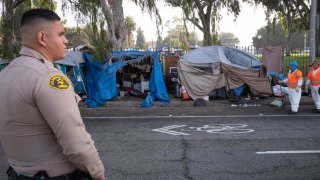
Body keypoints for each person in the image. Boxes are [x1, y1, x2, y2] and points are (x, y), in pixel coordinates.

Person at [0, 9, 105, 180]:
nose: (66, 41)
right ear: (42, 38)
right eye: (61, 34)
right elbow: (77, 145)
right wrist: (99, 174)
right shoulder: (49, 78)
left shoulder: (5, 74)